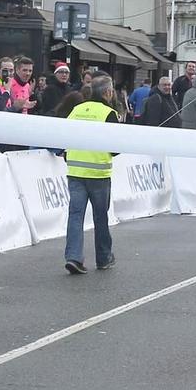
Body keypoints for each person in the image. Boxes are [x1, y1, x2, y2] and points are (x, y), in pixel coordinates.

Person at [62, 74, 120, 275]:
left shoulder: (76, 110)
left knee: (75, 216)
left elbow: (63, 135)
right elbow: (115, 148)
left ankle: (73, 257)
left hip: (75, 171)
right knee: (100, 217)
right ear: (107, 92)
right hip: (98, 173)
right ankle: (103, 258)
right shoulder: (109, 113)